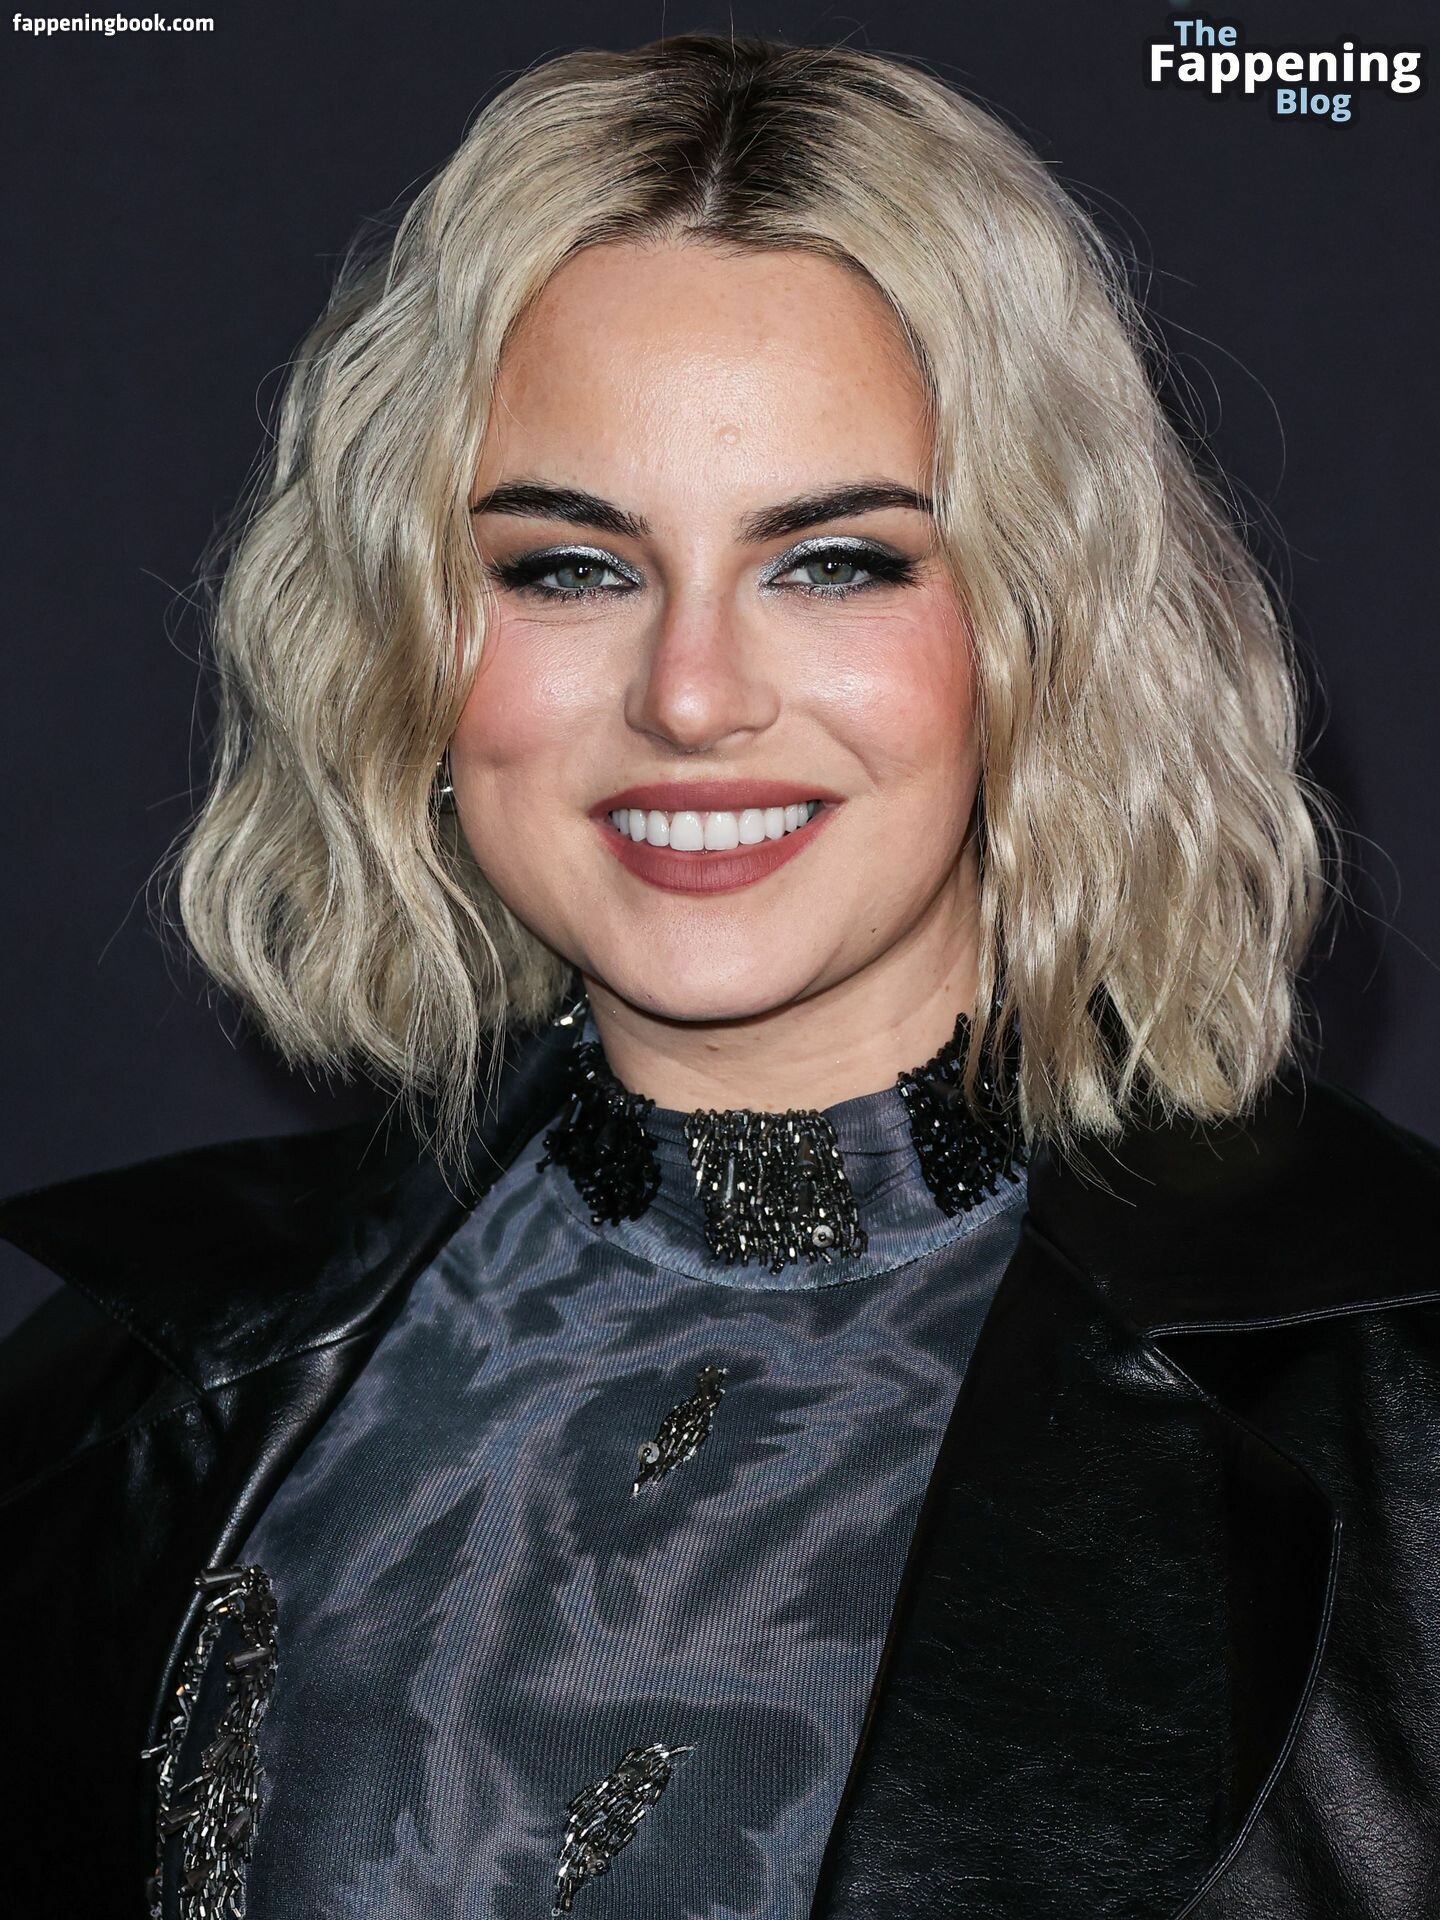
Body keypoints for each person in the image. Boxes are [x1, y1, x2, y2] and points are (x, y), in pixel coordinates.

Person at [1, 28, 1436, 1920]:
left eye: (833, 562)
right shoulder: (115, 1391)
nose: (691, 696)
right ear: (409, 646)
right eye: (568, 568)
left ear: (1041, 630)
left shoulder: (1404, 1411)